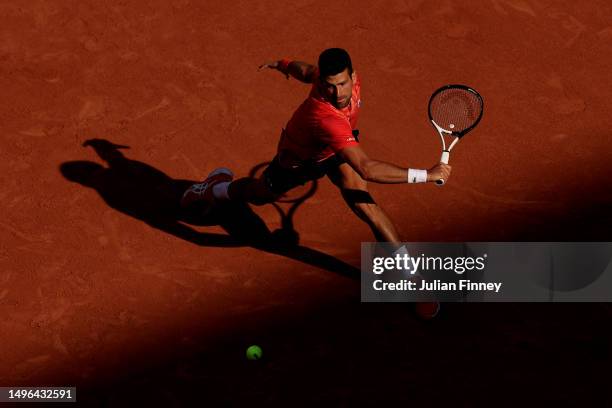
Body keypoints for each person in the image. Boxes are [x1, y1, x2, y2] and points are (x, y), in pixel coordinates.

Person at [181, 48, 451, 246]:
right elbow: (367, 168)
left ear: (353, 76)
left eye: (343, 84)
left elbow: (306, 70)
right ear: (324, 84)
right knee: (261, 194)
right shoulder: (324, 115)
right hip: (298, 161)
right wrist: (427, 175)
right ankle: (216, 188)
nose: (339, 94)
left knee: (366, 205)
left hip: (336, 150)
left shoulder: (339, 80)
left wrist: (282, 64)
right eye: (330, 87)